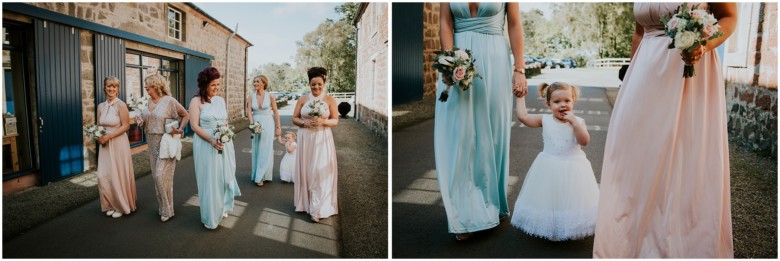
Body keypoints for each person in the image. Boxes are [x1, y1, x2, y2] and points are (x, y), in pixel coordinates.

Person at [593, 3, 737, 258]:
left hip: (688, 72)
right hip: (643, 73)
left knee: (681, 158)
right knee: (631, 158)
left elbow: (728, 17)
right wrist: (629, 75)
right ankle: (628, 245)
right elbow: (640, 32)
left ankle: (677, 246)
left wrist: (704, 45)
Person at [435, 2, 527, 241]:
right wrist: (448, 60)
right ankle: (464, 213)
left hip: (495, 59)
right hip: (458, 60)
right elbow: (445, 22)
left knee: (493, 133)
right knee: (459, 134)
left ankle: (491, 202)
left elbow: (515, 24)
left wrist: (520, 68)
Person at [509, 82, 599, 241]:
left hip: (574, 167)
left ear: (573, 102)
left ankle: (569, 227)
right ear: (548, 104)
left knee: (571, 198)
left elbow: (584, 141)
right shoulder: (545, 119)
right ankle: (552, 227)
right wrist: (520, 98)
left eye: (567, 101)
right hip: (549, 166)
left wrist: (575, 123)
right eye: (557, 102)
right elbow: (524, 117)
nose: (562, 105)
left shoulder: (578, 121)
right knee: (550, 199)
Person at [189, 67, 241, 229]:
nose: (217, 88)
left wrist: (226, 134)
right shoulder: (196, 102)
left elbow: (224, 122)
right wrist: (211, 140)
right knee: (210, 179)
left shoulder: (220, 100)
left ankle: (223, 205)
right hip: (206, 143)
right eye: (213, 85)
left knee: (224, 176)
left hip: (224, 142)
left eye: (218, 84)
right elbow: (194, 126)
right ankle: (211, 215)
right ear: (204, 85)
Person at [136, 74, 190, 222]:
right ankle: (164, 208)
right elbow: (146, 122)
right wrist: (140, 121)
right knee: (157, 178)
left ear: (156, 85)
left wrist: (180, 128)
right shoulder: (146, 102)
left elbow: (185, 115)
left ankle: (167, 209)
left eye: (148, 84)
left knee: (161, 176)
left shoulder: (169, 101)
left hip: (165, 142)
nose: (145, 87)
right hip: (151, 142)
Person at [292, 67, 339, 223]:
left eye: (319, 84)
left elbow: (335, 120)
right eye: (313, 84)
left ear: (324, 83)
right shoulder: (303, 99)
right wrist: (303, 122)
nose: (316, 87)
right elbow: (294, 118)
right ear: (309, 84)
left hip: (322, 138)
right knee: (307, 171)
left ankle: (317, 209)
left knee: (319, 172)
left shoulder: (330, 100)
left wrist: (323, 121)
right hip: (306, 139)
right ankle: (305, 204)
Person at [96, 76, 136, 218]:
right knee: (103, 175)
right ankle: (110, 204)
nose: (111, 89)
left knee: (117, 174)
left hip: (118, 142)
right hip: (105, 145)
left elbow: (126, 126)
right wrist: (96, 135)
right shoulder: (100, 106)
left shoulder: (121, 105)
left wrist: (109, 136)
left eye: (114, 86)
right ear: (104, 87)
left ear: (118, 89)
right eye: (109, 86)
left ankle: (120, 205)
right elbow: (99, 126)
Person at [246, 75, 282, 187]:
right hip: (256, 122)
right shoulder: (251, 96)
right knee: (257, 148)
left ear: (263, 83)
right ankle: (258, 174)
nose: (255, 83)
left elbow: (275, 112)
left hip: (268, 123)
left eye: (257, 81)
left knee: (266, 148)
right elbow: (249, 112)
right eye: (254, 82)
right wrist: (252, 125)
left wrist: (278, 127)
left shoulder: (270, 96)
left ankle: (262, 175)